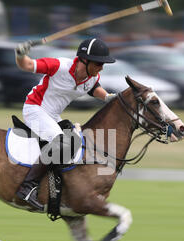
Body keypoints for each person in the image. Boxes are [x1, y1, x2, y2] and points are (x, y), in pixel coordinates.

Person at [14, 38, 116, 211]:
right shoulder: (59, 66)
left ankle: (58, 189)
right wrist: (20, 54)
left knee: (75, 143)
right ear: (85, 60)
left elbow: (93, 88)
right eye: (99, 63)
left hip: (52, 116)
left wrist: (106, 97)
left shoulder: (92, 77)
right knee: (62, 143)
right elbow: (27, 66)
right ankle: (27, 187)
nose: (102, 68)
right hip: (35, 109)